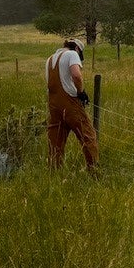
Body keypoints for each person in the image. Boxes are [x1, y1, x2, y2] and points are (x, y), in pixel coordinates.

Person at [45, 38, 99, 172]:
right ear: (77, 49)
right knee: (88, 135)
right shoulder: (72, 54)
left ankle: (54, 173)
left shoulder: (50, 59)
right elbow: (76, 75)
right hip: (70, 103)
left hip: (53, 104)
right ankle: (94, 171)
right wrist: (81, 93)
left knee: (56, 140)